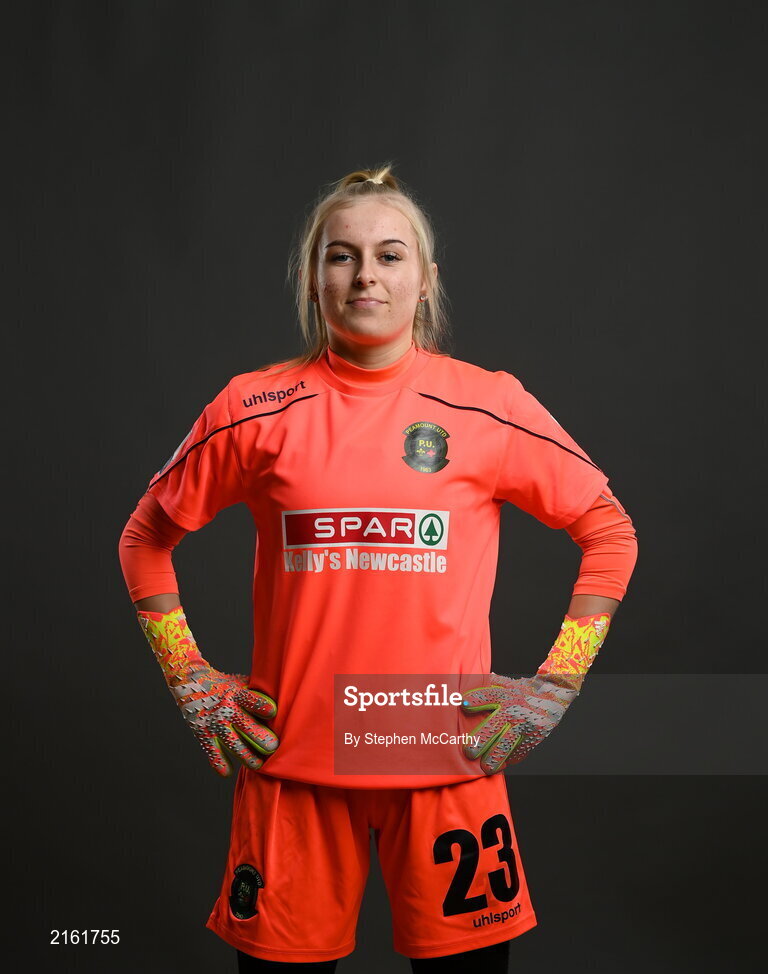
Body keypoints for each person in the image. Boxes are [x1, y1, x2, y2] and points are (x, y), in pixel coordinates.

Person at [119, 165, 637, 972]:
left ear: (425, 281)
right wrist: (189, 677)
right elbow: (144, 538)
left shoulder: (489, 404)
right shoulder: (252, 408)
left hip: (444, 768)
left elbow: (610, 531)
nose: (366, 275)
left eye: (390, 255)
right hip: (293, 772)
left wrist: (556, 684)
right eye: (341, 255)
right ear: (311, 277)